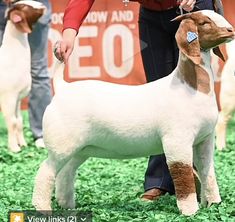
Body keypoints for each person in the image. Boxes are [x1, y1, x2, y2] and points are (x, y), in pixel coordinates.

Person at [54, 0, 222, 200]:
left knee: (194, 97)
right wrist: (69, 31)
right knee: (157, 105)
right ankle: (159, 180)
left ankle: (201, 182)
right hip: (152, 15)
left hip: (193, 14)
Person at [0, 0, 52, 148]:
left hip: (31, 6)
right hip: (5, 7)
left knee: (38, 68)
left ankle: (43, 133)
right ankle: (14, 136)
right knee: (6, 78)